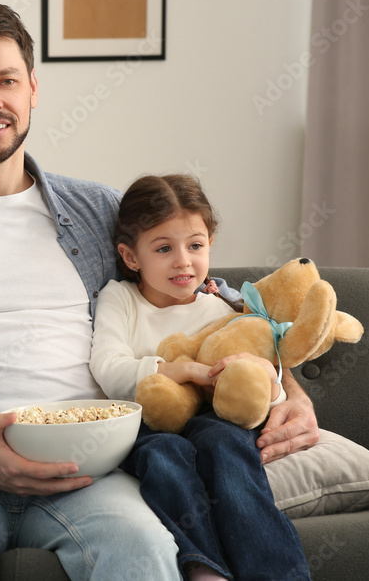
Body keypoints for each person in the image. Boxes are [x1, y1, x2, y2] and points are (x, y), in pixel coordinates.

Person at [0, 0, 318, 580]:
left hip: (90, 472)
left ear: (32, 88)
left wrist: (291, 389)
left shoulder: (99, 210)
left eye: (6, 81)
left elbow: (210, 301)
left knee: (144, 543)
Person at [90, 174, 311, 581]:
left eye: (195, 246)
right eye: (163, 248)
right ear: (131, 256)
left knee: (225, 445)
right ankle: (205, 568)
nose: (183, 261)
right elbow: (107, 366)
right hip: (151, 422)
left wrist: (268, 378)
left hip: (217, 419)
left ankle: (278, 573)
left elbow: (264, 386)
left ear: (209, 243)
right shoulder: (120, 298)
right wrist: (179, 371)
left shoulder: (223, 307)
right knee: (163, 456)